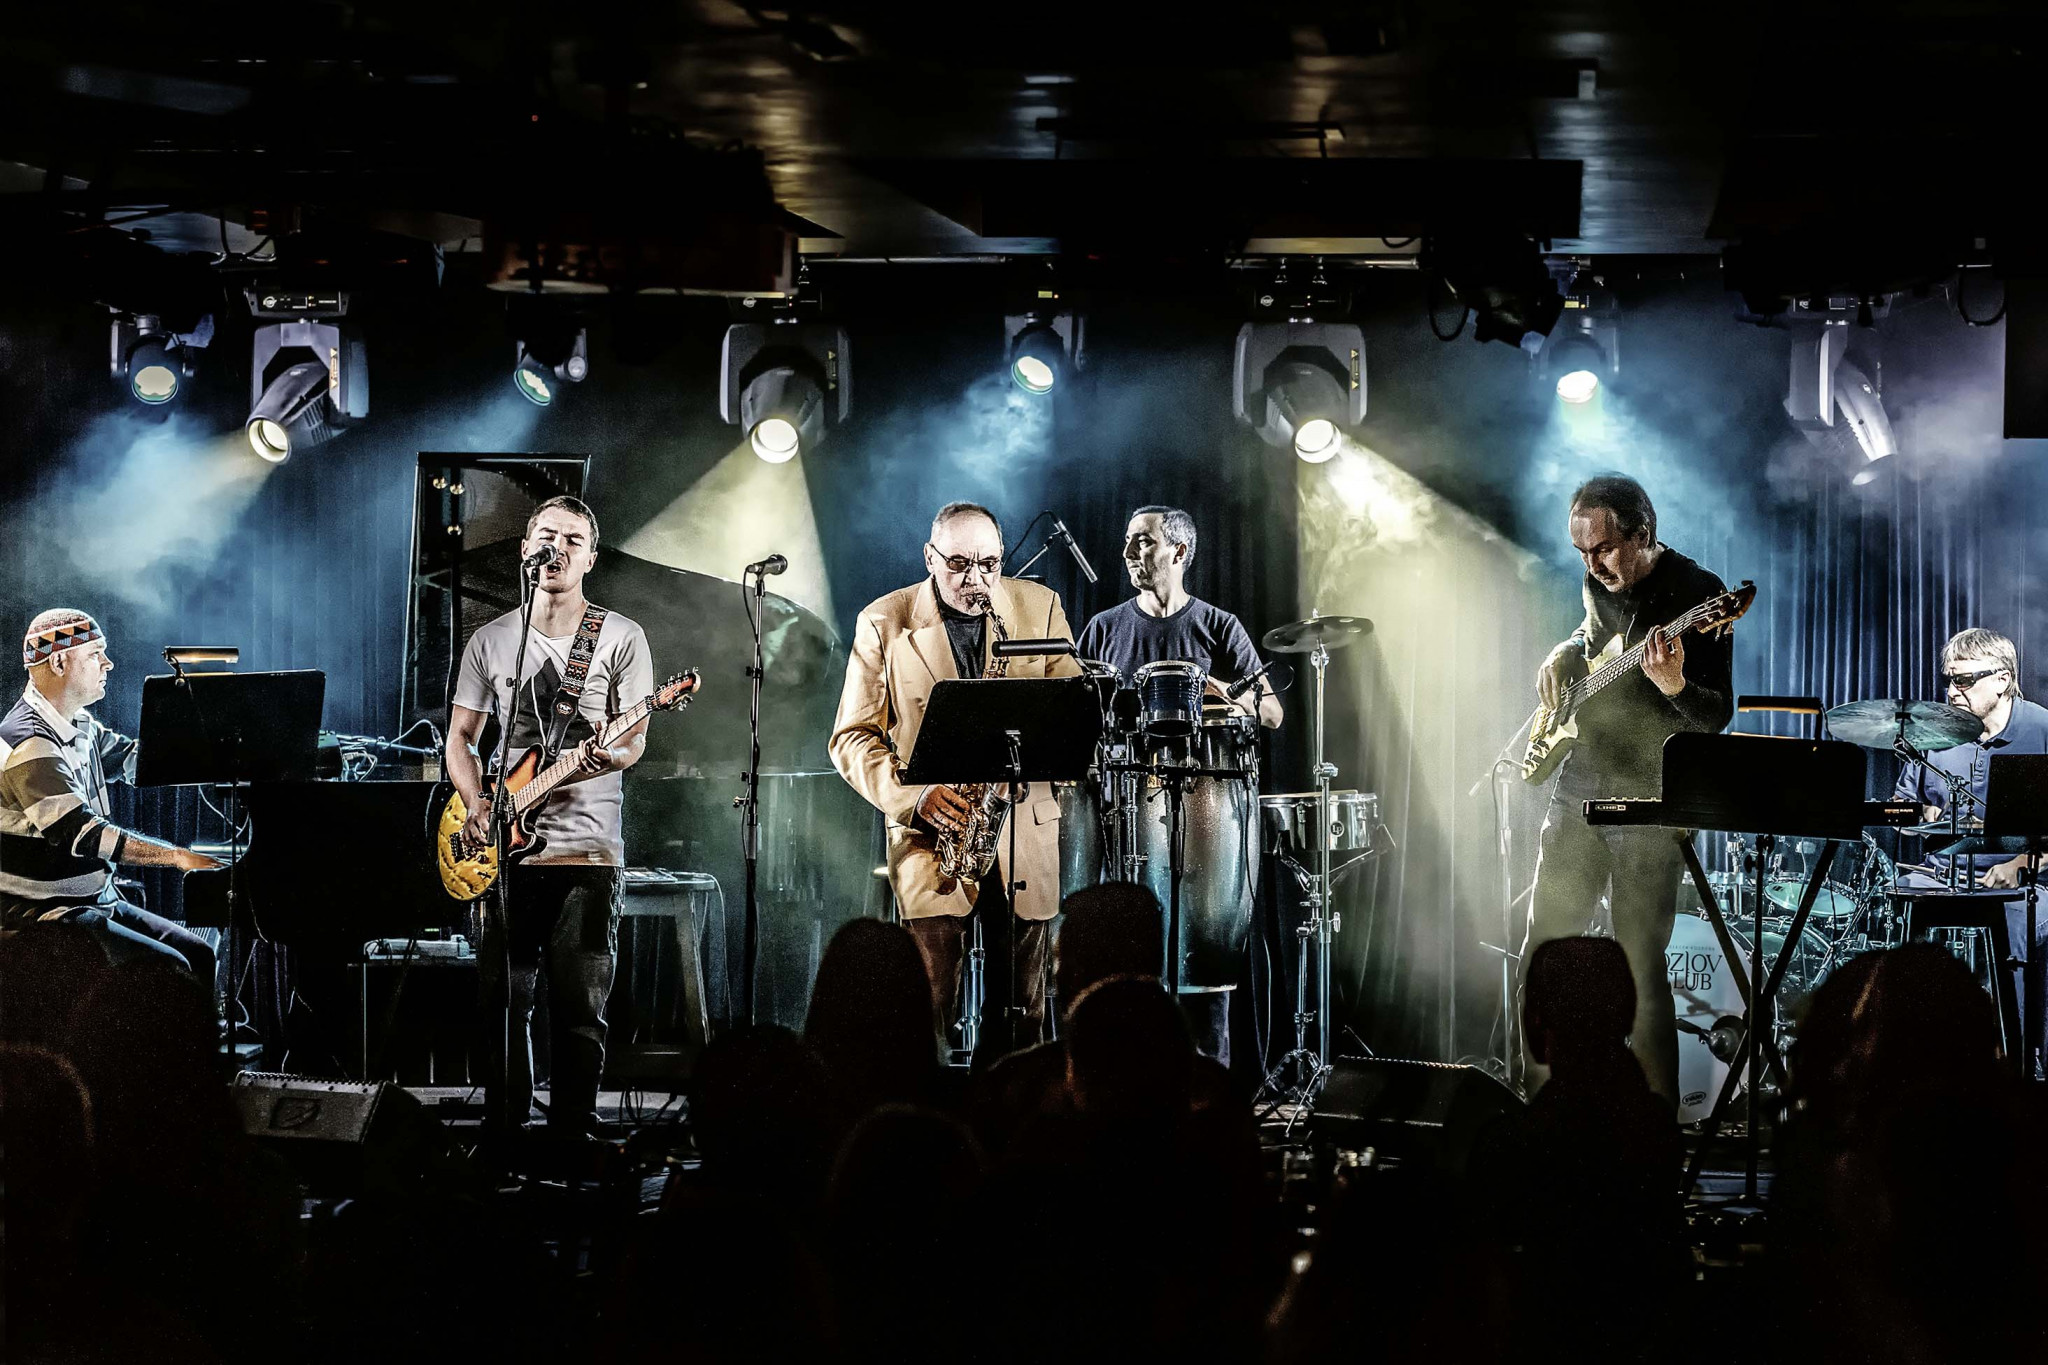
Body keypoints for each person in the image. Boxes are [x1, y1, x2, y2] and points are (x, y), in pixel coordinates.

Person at [829, 501, 1082, 1060]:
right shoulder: (884, 620)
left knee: (1023, 1014)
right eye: (960, 564)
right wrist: (914, 797)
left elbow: (1071, 710)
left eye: (989, 564)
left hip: (1022, 829)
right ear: (930, 557)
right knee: (927, 1005)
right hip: (933, 836)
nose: (976, 580)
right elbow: (850, 737)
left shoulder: (1040, 607)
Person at [444, 496, 655, 1136]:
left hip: (587, 850)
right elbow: (460, 738)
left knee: (579, 1008)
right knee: (502, 1002)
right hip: (504, 852)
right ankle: (504, 1133)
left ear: (590, 558)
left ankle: (571, 1134)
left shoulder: (620, 637)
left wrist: (596, 759)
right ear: (525, 549)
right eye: (546, 536)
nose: (556, 548)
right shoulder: (491, 639)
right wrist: (477, 803)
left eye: (572, 540)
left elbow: (633, 742)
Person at [1524, 475, 1734, 1107]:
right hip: (1579, 782)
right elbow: (1593, 637)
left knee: (1640, 964)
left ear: (1643, 535)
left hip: (1651, 795)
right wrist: (1566, 649)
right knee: (1542, 951)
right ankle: (1540, 1113)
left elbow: (1716, 714)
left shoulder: (1701, 594)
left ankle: (1654, 1128)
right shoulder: (1597, 581)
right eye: (1582, 552)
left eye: (1605, 549)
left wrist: (1675, 687)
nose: (1592, 565)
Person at [1075, 505, 1280, 1065]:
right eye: (1127, 541)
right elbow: (1079, 717)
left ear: (1179, 552)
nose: (1129, 553)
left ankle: (1208, 1091)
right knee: (1127, 969)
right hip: (1124, 815)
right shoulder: (1104, 629)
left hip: (1206, 818)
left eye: (1143, 542)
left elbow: (1272, 712)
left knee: (1201, 968)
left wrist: (1221, 690)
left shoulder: (1218, 626)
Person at [0, 608, 221, 976]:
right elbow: (83, 834)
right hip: (45, 914)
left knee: (198, 954)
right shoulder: (30, 742)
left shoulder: (78, 723)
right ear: (59, 662)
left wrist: (216, 745)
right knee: (175, 970)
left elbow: (137, 761)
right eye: (95, 654)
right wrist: (177, 857)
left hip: (95, 900)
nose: (108, 663)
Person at [1891, 627, 2048, 1059]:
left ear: (2002, 679)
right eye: (1948, 679)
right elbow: (1901, 808)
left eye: (1964, 680)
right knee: (1901, 919)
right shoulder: (1935, 734)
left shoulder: (2042, 730)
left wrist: (2021, 864)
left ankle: (2015, 1059)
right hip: (1943, 876)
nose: (1951, 691)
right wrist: (1919, 815)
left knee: (2015, 927)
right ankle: (1915, 1061)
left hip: (2030, 881)